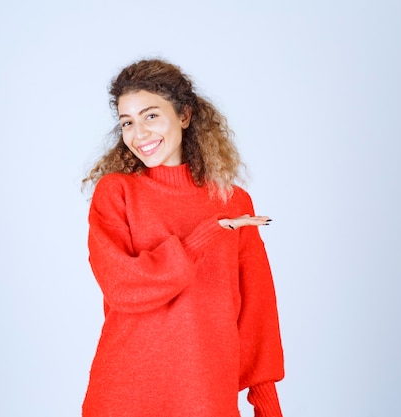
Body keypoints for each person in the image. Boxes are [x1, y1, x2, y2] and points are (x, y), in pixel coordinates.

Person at [81, 58, 284, 417]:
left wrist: (266, 404)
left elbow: (256, 311)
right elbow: (124, 288)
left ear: (185, 116)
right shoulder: (116, 193)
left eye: (151, 116)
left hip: (206, 396)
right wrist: (206, 235)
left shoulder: (233, 202)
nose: (139, 133)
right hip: (125, 396)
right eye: (127, 122)